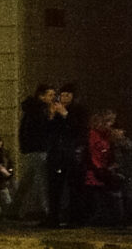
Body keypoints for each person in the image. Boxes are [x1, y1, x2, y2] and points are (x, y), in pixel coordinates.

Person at [44, 84, 86, 227]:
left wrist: (65, 115)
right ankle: (53, 217)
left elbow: (77, 129)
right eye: (62, 95)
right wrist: (51, 116)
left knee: (73, 187)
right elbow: (49, 131)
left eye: (68, 95)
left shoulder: (78, 111)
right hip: (57, 154)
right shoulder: (55, 111)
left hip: (71, 154)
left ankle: (74, 218)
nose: (64, 98)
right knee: (55, 187)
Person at [15, 83, 55, 221]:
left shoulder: (31, 110)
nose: (53, 98)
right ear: (41, 96)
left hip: (33, 149)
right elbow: (43, 129)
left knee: (29, 179)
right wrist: (51, 117)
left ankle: (15, 208)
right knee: (41, 180)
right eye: (50, 95)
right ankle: (46, 210)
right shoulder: (39, 111)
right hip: (39, 148)